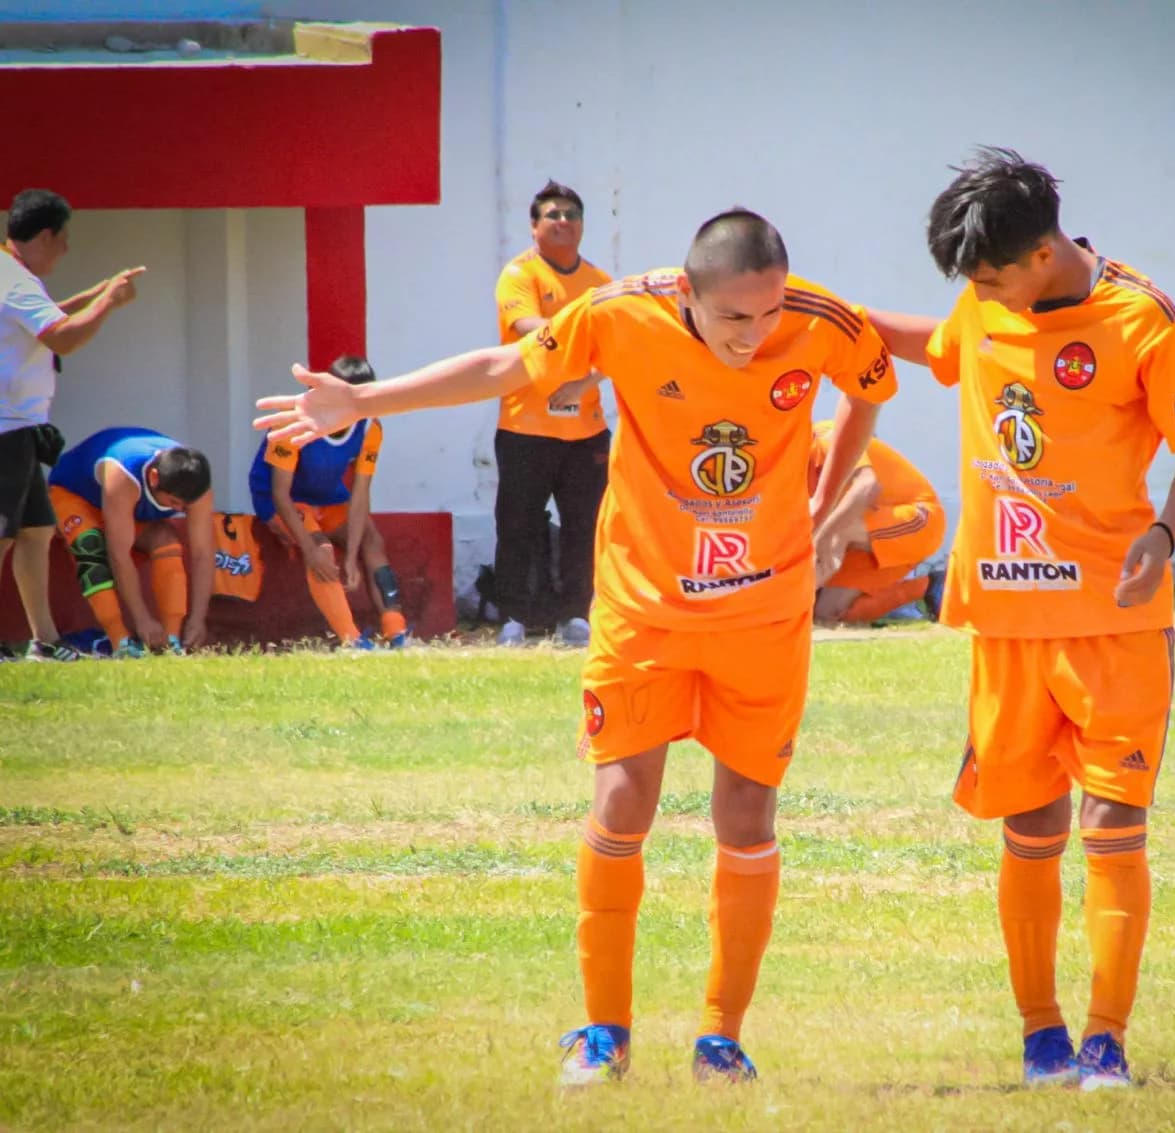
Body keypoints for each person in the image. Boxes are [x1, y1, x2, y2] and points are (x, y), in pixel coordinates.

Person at [255, 208, 897, 1085]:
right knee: (622, 805)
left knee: (747, 818)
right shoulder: (618, 313)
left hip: (763, 615)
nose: (756, 334)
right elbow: (504, 367)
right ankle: (604, 1035)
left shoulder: (822, 322)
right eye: (733, 316)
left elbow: (870, 386)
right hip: (644, 611)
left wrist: (822, 504)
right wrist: (366, 400)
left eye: (769, 311)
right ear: (688, 293)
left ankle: (721, 1037)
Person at [867, 149, 1175, 1089]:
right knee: (1029, 823)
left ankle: (1107, 1038)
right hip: (1007, 619)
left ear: (1041, 253)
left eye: (990, 279)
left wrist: (1164, 534)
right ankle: (1041, 1034)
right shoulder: (985, 299)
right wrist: (822, 310)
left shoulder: (1141, 318)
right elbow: (936, 345)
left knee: (1113, 822)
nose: (980, 296)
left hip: (1114, 619)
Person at [0, 188, 143, 660]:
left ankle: (44, 640)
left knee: (36, 531)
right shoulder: (15, 281)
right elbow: (62, 338)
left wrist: (96, 295)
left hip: (19, 428)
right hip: (6, 429)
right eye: (63, 238)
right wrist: (109, 304)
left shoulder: (10, 274)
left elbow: (45, 319)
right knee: (4, 535)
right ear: (45, 235)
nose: (66, 248)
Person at [492, 180, 612, 648]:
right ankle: (514, 617)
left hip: (586, 431)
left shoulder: (600, 282)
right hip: (525, 426)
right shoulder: (519, 274)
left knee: (586, 525)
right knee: (517, 523)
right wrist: (585, 338)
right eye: (553, 215)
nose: (563, 221)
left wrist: (582, 382)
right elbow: (528, 328)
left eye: (571, 215)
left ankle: (576, 616)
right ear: (534, 226)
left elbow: (615, 348)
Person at [248, 354, 409, 649]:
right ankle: (352, 640)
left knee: (372, 540)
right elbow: (280, 493)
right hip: (281, 499)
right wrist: (309, 549)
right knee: (321, 549)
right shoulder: (295, 419)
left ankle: (395, 628)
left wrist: (351, 555)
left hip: (329, 497)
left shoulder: (370, 426)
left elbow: (360, 494)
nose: (360, 405)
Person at [47, 426, 215, 657]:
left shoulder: (196, 489)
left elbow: (203, 554)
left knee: (166, 541)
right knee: (90, 545)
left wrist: (197, 618)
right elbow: (119, 555)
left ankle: (171, 640)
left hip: (124, 508)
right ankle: (120, 641)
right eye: (174, 503)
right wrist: (142, 619)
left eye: (187, 506)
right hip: (74, 495)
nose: (181, 510)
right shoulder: (123, 475)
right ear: (154, 478)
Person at [808, 419, 945, 624]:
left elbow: (867, 487)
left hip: (918, 519)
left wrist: (821, 539)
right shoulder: (780, 467)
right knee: (826, 614)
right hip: (857, 537)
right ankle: (919, 589)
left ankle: (932, 586)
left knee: (833, 529)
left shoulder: (827, 436)